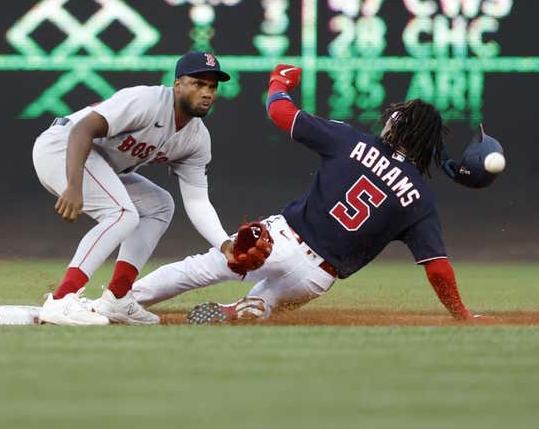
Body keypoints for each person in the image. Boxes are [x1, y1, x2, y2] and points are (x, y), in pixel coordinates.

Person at [131, 64, 484, 323]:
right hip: (317, 278)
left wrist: (279, 81)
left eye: (398, 116)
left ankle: (124, 299)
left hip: (280, 240)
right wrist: (461, 314)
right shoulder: (419, 198)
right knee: (265, 302)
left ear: (400, 125)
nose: (390, 117)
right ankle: (249, 309)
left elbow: (280, 111)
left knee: (201, 268)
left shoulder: (351, 141)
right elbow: (437, 268)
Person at [33, 51, 237, 326]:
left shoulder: (196, 139)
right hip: (62, 146)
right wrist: (74, 184)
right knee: (122, 213)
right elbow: (83, 128)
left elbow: (198, 200)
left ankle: (117, 298)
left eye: (212, 86)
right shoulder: (148, 101)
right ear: (178, 85)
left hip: (99, 162)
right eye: (198, 83)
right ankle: (61, 299)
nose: (207, 92)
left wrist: (224, 244)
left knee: (160, 205)